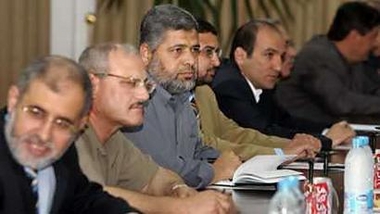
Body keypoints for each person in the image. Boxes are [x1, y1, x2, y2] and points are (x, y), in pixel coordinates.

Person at [76, 42, 234, 213]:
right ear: (93, 84)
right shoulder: (71, 133)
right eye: (131, 83)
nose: (144, 96)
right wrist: (180, 207)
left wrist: (178, 189)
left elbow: (155, 178)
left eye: (146, 85)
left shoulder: (114, 137)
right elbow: (92, 195)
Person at [124, 4, 242, 189]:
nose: (190, 60)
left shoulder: (180, 93)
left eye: (194, 50)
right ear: (146, 54)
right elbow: (164, 169)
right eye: (178, 50)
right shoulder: (136, 100)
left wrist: (234, 163)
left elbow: (196, 151)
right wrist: (214, 171)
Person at [0, 56, 136, 213]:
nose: (45, 135)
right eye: (36, 113)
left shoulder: (64, 149)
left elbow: (82, 197)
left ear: (80, 125)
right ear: (13, 100)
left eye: (61, 123)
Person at [211, 19, 355, 148]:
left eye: (281, 56)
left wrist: (328, 129)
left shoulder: (261, 84)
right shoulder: (229, 86)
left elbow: (288, 123)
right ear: (240, 56)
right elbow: (262, 135)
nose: (278, 67)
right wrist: (324, 140)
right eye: (269, 55)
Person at [194, 18, 321, 161]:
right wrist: (280, 153)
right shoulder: (227, 86)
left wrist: (295, 145)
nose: (217, 62)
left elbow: (234, 133)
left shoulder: (204, 92)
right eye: (208, 52)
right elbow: (204, 145)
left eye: (217, 52)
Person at [275, 1, 380, 125]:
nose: (376, 43)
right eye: (373, 37)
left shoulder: (357, 60)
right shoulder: (317, 56)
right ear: (355, 36)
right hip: (302, 132)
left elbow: (373, 90)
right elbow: (341, 103)